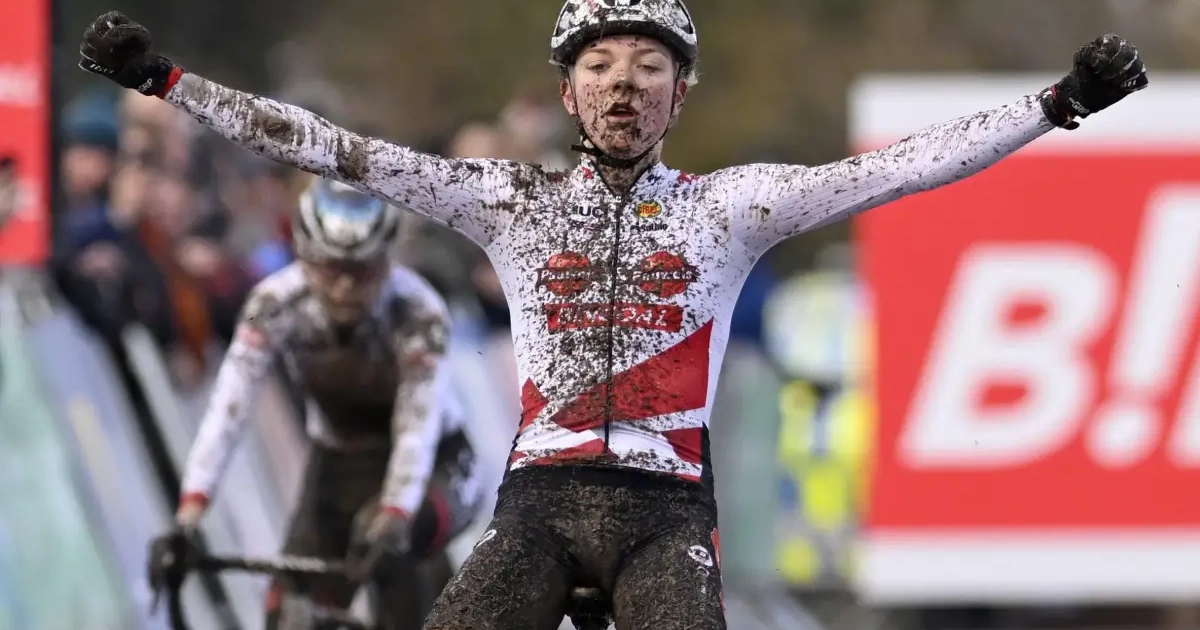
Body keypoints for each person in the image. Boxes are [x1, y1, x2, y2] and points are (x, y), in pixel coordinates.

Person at [81, 2, 1148, 627]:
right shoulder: (508, 198)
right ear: (569, 92)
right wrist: (169, 83)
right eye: (599, 68)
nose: (623, 86)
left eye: (649, 69)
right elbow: (329, 148)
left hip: (666, 515)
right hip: (537, 507)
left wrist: (1057, 105)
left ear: (682, 94)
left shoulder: (734, 207)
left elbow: (906, 168)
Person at [147, 177, 482, 629]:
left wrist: (395, 513)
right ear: (304, 256)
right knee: (288, 614)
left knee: (388, 545)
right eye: (329, 269)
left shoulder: (419, 311)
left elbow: (415, 430)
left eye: (361, 271)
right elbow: (229, 408)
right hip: (340, 464)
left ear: (387, 261)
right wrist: (188, 515)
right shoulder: (276, 302)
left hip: (439, 463)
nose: (343, 287)